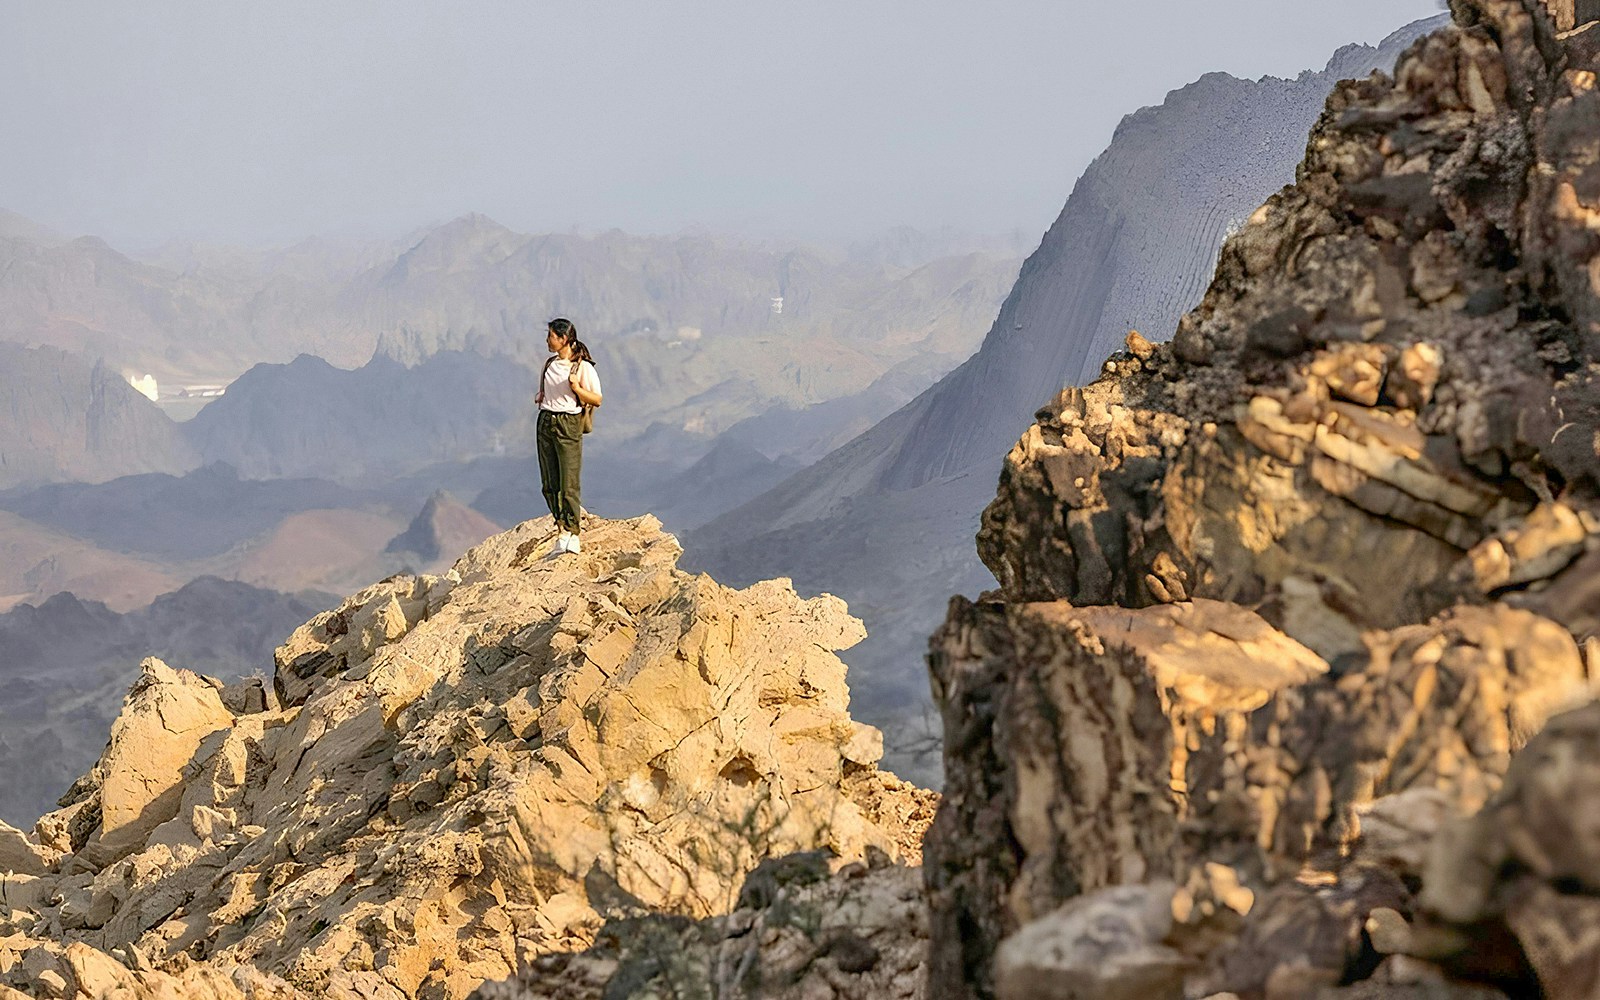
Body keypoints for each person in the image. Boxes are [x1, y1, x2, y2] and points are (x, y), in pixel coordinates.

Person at [535, 318, 602, 554]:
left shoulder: (582, 367)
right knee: (549, 482)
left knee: (569, 482)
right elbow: (548, 392)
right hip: (546, 421)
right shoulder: (549, 364)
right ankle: (561, 528)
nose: (547, 340)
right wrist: (542, 397)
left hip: (568, 423)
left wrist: (577, 388)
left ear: (564, 339)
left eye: (551, 336)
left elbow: (597, 399)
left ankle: (573, 533)